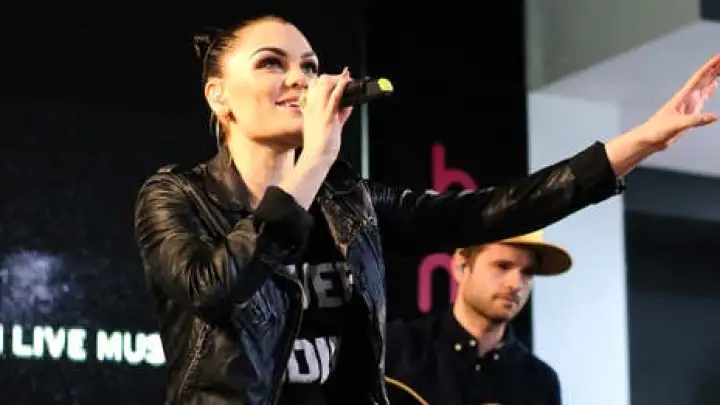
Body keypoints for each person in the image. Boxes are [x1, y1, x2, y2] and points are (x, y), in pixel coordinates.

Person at [132, 13, 720, 405]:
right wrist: (313, 164)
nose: (300, 79)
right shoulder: (178, 196)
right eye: (271, 63)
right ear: (218, 96)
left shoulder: (348, 205)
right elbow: (214, 288)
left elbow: (496, 211)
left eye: (309, 66)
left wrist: (641, 142)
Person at [385, 230, 571, 405]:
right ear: (461, 267)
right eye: (502, 266)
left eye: (527, 272)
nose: (516, 284)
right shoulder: (394, 349)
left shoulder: (541, 384)